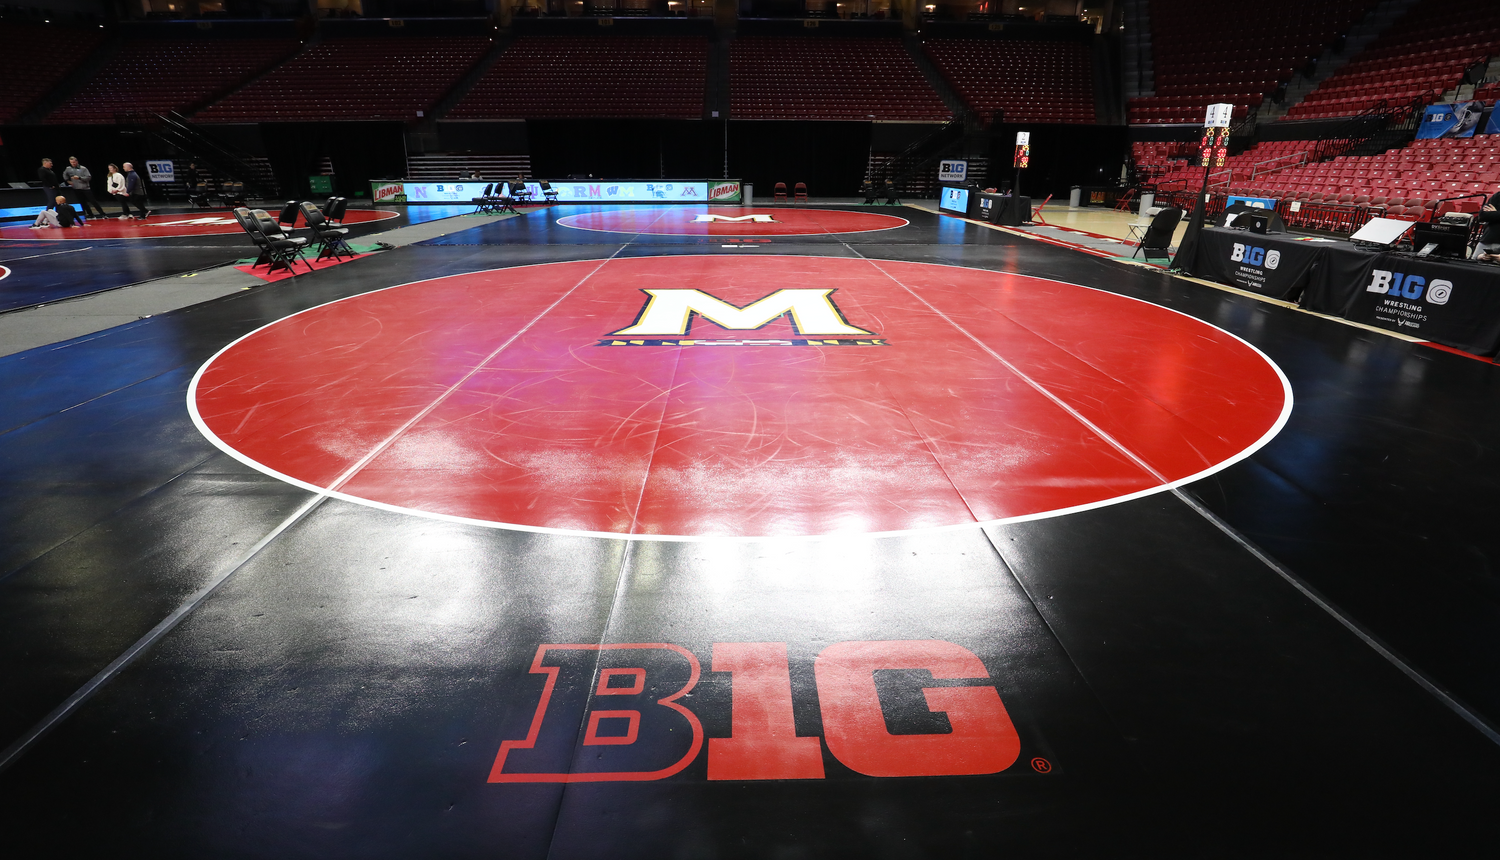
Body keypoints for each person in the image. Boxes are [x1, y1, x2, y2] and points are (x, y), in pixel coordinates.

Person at [1476, 190, 1500, 263]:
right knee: (1472, 264)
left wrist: (1494, 214)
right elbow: (1482, 215)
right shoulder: (1498, 196)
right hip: (1487, 239)